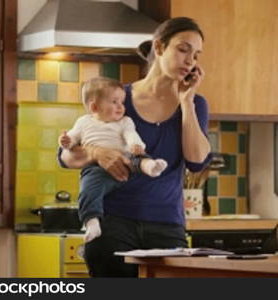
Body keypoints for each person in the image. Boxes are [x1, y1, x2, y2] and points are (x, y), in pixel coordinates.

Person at [57, 17, 211, 277]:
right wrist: (95, 152)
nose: (190, 61)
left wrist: (186, 102)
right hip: (112, 223)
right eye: (183, 49)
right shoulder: (117, 97)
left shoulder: (196, 104)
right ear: (159, 47)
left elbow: (196, 160)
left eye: (196, 55)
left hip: (166, 226)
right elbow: (66, 156)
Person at [58, 76, 168, 243]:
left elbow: (131, 135)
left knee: (138, 157)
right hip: (97, 168)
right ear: (94, 107)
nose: (121, 107)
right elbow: (71, 140)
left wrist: (135, 145)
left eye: (122, 102)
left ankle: (151, 167)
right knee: (88, 188)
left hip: (125, 159)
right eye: (114, 102)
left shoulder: (125, 121)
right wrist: (66, 141)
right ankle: (91, 221)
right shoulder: (83, 122)